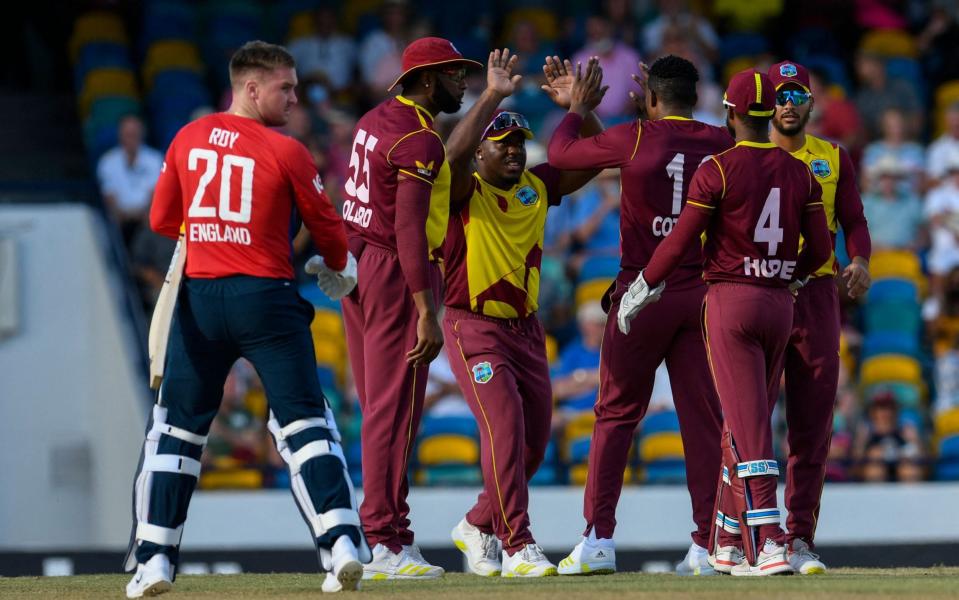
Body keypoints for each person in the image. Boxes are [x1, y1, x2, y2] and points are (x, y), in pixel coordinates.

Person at [123, 41, 367, 598]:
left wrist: (209, 232)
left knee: (175, 432)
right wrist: (339, 267)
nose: (295, 97)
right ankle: (343, 545)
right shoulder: (288, 150)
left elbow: (163, 219)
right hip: (268, 299)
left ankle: (155, 561)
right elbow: (327, 227)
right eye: (286, 87)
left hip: (202, 299)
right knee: (306, 425)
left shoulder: (186, 139)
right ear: (251, 89)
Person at [620, 68, 833, 577]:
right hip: (779, 303)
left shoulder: (716, 168)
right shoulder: (800, 171)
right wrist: (791, 278)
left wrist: (642, 284)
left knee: (748, 424)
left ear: (731, 114)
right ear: (766, 115)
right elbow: (824, 249)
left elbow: (678, 242)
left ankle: (769, 539)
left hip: (731, 302)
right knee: (743, 421)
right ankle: (727, 539)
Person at [546, 54, 732, 576]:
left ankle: (599, 538)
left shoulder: (633, 136)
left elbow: (561, 155)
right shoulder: (720, 141)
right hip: (698, 291)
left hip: (639, 291)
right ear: (694, 99)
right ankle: (706, 544)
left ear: (649, 98)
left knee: (616, 414)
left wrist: (577, 108)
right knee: (702, 421)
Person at [442, 52, 604, 578]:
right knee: (506, 430)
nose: (513, 151)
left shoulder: (537, 186)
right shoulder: (465, 190)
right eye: (502, 143)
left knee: (533, 445)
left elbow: (597, 157)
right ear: (482, 151)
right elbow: (451, 158)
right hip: (474, 326)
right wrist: (493, 95)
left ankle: (477, 523)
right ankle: (519, 545)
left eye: (518, 143)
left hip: (528, 331)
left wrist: (580, 109)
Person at [339, 36, 481, 580]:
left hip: (359, 264)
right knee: (394, 408)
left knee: (380, 403)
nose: (461, 82)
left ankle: (386, 535)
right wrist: (427, 309)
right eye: (454, 74)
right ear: (427, 80)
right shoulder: (418, 139)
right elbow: (407, 229)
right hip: (395, 272)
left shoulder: (375, 118)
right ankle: (384, 542)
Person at [767, 60, 873, 575]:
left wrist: (860, 261)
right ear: (769, 102)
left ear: (812, 104)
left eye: (797, 95)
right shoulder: (744, 156)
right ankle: (740, 536)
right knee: (743, 421)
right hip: (758, 291)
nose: (789, 103)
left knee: (812, 423)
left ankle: (798, 537)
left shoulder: (833, 157)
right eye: (781, 95)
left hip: (815, 295)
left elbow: (852, 218)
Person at [96, 114, 163, 245]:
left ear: (141, 134)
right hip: (120, 220)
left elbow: (155, 195)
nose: (131, 138)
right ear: (120, 135)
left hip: (147, 217)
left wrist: (144, 214)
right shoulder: (107, 162)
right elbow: (110, 198)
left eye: (135, 134)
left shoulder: (155, 159)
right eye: (128, 134)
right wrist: (124, 216)